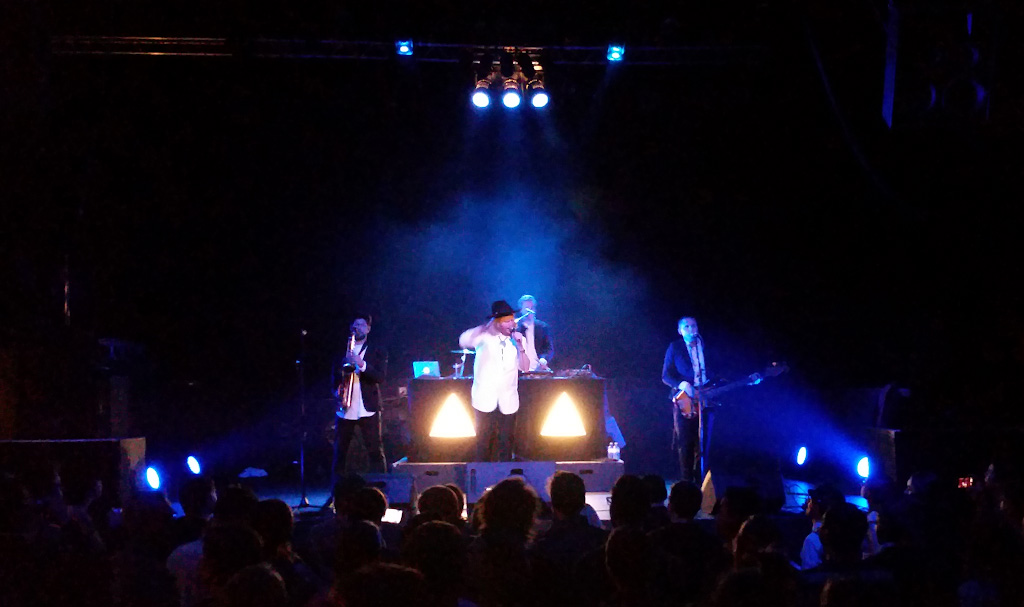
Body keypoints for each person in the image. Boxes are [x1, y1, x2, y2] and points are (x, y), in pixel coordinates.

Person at [459, 300, 530, 462]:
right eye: (506, 321)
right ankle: (482, 473)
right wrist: (484, 328)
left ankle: (505, 473)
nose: (511, 324)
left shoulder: (517, 340)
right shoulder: (483, 337)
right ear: (497, 323)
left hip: (508, 398)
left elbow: (525, 368)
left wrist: (520, 347)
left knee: (506, 441)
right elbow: (463, 340)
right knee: (484, 441)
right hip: (484, 397)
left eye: (512, 320)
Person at [332, 314, 388, 478]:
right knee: (340, 451)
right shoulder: (342, 351)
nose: (358, 328)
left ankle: (380, 486)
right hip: (345, 407)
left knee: (375, 450)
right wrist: (337, 392)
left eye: (362, 325)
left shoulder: (378, 351)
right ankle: (337, 487)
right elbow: (334, 378)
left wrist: (361, 364)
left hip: (367, 407)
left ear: (368, 329)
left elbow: (380, 377)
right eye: (355, 325)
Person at [662, 316, 713, 483]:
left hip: (705, 395)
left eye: (693, 326)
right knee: (685, 441)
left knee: (704, 441)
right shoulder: (675, 347)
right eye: (687, 327)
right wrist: (683, 384)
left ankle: (702, 481)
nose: (691, 329)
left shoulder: (704, 345)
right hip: (684, 398)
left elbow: (716, 368)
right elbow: (666, 375)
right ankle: (686, 481)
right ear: (680, 331)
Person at [516, 294, 554, 372]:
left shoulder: (542, 327)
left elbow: (549, 349)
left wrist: (544, 359)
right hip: (519, 371)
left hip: (538, 369)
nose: (530, 311)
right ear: (521, 310)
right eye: (527, 308)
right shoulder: (515, 328)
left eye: (532, 308)